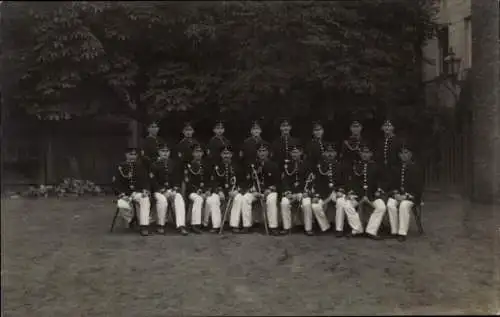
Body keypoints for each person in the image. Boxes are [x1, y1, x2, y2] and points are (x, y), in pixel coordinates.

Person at [307, 143, 348, 237]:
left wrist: (341, 191)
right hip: (324, 192)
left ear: (336, 153)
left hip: (337, 191)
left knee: (341, 202)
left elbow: (345, 181)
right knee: (315, 205)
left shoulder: (341, 165)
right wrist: (316, 195)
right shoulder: (319, 166)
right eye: (327, 152)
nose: (330, 154)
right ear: (324, 153)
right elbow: (317, 182)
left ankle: (339, 229)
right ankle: (325, 226)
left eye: (332, 152)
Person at [347, 143, 386, 240]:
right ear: (360, 154)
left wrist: (379, 190)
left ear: (371, 154)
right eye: (363, 152)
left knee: (381, 207)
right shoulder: (355, 166)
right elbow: (351, 181)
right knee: (346, 205)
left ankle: (371, 230)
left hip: (372, 195)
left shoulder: (376, 166)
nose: (365, 154)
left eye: (367, 152)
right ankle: (357, 229)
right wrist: (351, 192)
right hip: (358, 195)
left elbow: (381, 180)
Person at [386, 143, 424, 241]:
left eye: (406, 153)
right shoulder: (396, 168)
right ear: (399, 155)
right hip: (398, 195)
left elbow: (419, 187)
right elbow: (392, 184)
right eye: (401, 153)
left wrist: (406, 196)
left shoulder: (417, 168)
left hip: (412, 197)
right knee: (390, 204)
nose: (404, 155)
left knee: (403, 205)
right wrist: (395, 194)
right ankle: (394, 231)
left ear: (411, 154)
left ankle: (402, 233)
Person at [241, 142, 280, 235]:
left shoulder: (274, 165)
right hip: (256, 191)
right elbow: (248, 181)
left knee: (271, 199)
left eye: (264, 151)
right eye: (260, 151)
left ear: (268, 152)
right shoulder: (252, 165)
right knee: (245, 198)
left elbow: (278, 182)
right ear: (257, 153)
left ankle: (273, 227)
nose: (262, 153)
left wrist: (270, 189)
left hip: (269, 192)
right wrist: (253, 190)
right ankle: (247, 225)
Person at [150, 144, 189, 236]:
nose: (165, 153)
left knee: (179, 197)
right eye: (163, 151)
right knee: (162, 200)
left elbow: (177, 178)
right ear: (159, 152)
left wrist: (176, 187)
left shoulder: (173, 163)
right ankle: (161, 225)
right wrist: (161, 189)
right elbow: (152, 180)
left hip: (170, 190)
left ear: (169, 153)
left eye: (167, 151)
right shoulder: (154, 164)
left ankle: (181, 225)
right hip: (158, 191)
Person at [112, 147, 152, 236]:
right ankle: (131, 220)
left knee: (145, 199)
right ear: (126, 155)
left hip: (137, 193)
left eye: (134, 155)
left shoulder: (140, 166)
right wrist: (121, 194)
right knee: (122, 204)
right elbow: (116, 183)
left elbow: (146, 180)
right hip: (125, 193)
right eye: (130, 154)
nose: (133, 156)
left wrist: (146, 190)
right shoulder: (121, 167)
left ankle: (144, 226)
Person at [207, 145, 245, 233]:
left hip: (233, 191)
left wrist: (237, 190)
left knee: (239, 198)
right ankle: (216, 225)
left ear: (231, 155)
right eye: (224, 153)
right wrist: (219, 191)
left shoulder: (237, 166)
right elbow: (213, 181)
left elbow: (243, 181)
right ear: (221, 155)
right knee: (213, 199)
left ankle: (234, 225)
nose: (226, 156)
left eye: (228, 153)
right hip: (221, 192)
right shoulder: (216, 167)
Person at [280, 143, 313, 235]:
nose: (294, 154)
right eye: (293, 152)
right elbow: (284, 180)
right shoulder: (286, 165)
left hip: (302, 192)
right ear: (290, 154)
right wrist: (287, 193)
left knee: (306, 204)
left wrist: (306, 192)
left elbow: (310, 179)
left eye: (296, 152)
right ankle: (286, 228)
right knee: (284, 203)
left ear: (301, 152)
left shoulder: (307, 164)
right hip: (290, 193)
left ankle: (308, 228)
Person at [184, 143, 210, 234]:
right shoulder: (189, 165)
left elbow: (210, 180)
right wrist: (196, 190)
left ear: (203, 153)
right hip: (192, 191)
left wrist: (207, 190)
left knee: (211, 199)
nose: (198, 154)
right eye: (196, 152)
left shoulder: (206, 165)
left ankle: (205, 223)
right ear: (192, 153)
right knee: (198, 199)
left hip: (204, 190)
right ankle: (195, 225)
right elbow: (187, 181)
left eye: (200, 152)